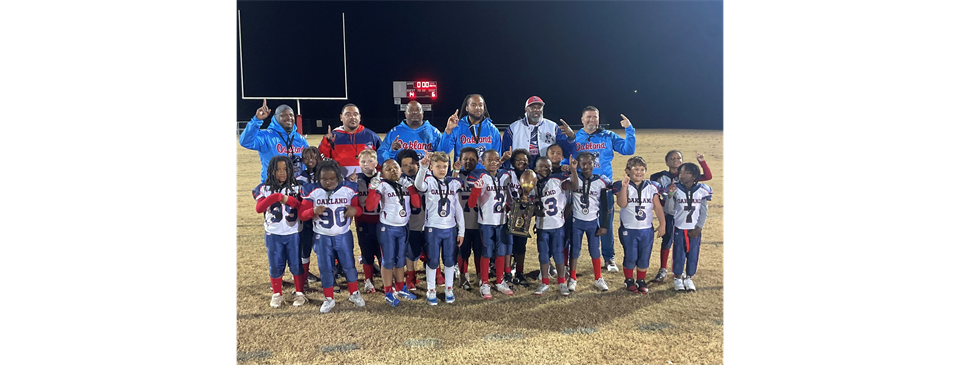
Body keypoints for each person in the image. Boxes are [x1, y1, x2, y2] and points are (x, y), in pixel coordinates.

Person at [571, 106, 636, 272]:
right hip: (581, 189)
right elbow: (567, 159)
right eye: (589, 117)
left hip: (603, 187)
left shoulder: (608, 136)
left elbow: (628, 149)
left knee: (605, 223)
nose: (592, 120)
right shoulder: (575, 138)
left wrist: (629, 128)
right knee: (575, 223)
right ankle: (570, 257)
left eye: (595, 117)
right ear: (582, 119)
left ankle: (609, 257)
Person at [298, 159, 366, 313]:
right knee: (325, 268)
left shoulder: (349, 188)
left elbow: (358, 208)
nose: (328, 182)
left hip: (343, 234)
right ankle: (329, 298)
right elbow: (302, 215)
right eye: (324, 179)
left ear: (338, 177)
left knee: (349, 265)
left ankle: (354, 293)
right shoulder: (312, 190)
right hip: (322, 236)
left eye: (332, 178)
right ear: (318, 178)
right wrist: (313, 212)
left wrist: (354, 211)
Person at [649, 150, 714, 283]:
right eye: (672, 158)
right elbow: (656, 195)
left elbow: (707, 176)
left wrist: (702, 162)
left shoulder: (688, 175)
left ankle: (684, 272)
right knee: (667, 240)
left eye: (678, 158)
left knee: (686, 244)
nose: (675, 160)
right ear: (666, 161)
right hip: (670, 213)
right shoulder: (659, 177)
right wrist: (664, 203)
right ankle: (663, 269)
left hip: (685, 215)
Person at [365, 159, 422, 306]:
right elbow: (371, 206)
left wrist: (410, 188)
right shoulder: (383, 185)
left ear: (400, 169)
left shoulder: (405, 183)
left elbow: (417, 204)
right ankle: (388, 291)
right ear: (383, 173)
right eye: (388, 169)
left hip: (403, 227)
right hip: (387, 228)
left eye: (395, 167)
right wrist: (373, 189)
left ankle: (400, 287)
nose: (393, 170)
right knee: (388, 260)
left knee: (401, 259)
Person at [252, 155, 306, 308]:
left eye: (285, 169)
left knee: (296, 264)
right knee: (275, 264)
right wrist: (276, 197)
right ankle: (277, 293)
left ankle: (299, 292)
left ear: (291, 170)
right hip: (273, 233)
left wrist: (288, 200)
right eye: (278, 170)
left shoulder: (298, 187)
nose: (282, 173)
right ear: (271, 171)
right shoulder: (264, 188)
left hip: (293, 232)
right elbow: (259, 208)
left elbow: (303, 208)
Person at [414, 152, 466, 305]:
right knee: (433, 260)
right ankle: (431, 290)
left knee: (450, 260)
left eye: (445, 166)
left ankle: (449, 288)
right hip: (433, 228)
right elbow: (418, 185)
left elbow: (458, 209)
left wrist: (461, 230)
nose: (442, 169)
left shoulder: (453, 183)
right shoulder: (428, 181)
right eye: (438, 166)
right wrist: (422, 168)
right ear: (432, 167)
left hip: (450, 229)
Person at [611, 156, 666, 294]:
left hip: (646, 229)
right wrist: (624, 187)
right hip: (629, 229)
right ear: (628, 170)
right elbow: (622, 204)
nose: (639, 172)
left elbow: (657, 207)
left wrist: (663, 224)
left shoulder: (652, 186)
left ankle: (641, 280)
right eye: (636, 169)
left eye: (642, 169)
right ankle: (629, 280)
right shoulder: (621, 184)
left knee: (644, 257)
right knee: (631, 256)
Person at [467, 150, 516, 299]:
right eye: (489, 160)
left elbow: (512, 197)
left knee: (501, 251)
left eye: (496, 159)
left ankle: (500, 281)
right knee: (487, 252)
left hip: (502, 221)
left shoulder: (506, 175)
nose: (493, 162)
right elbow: (470, 203)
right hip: (486, 222)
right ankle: (485, 282)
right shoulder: (479, 176)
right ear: (483, 162)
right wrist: (476, 189)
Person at [567, 152, 613, 292]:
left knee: (595, 250)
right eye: (583, 163)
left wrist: (604, 225)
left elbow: (605, 206)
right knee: (575, 250)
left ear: (594, 163)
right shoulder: (573, 178)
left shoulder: (601, 181)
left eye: (589, 163)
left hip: (593, 221)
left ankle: (598, 278)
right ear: (578, 164)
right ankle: (572, 278)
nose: (586, 166)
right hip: (577, 221)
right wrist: (573, 169)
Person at [240, 100, 310, 183]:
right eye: (284, 115)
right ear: (276, 118)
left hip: (295, 187)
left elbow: (307, 163)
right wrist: (256, 120)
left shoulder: (300, 140)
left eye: (291, 115)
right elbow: (245, 141)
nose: (289, 118)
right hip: (272, 186)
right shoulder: (266, 136)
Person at [670, 162, 713, 292]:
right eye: (680, 172)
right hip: (679, 227)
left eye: (685, 172)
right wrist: (670, 195)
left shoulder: (702, 190)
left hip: (694, 228)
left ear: (694, 176)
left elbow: (703, 211)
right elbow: (669, 209)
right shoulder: (675, 188)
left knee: (693, 254)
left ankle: (689, 277)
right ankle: (677, 277)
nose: (681, 175)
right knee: (678, 254)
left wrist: (699, 227)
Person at [531, 158, 571, 296]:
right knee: (543, 255)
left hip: (557, 225)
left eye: (547, 166)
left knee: (559, 255)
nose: (544, 169)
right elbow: (530, 208)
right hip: (542, 226)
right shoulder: (533, 184)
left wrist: (563, 217)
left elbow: (572, 189)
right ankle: (545, 282)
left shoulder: (558, 180)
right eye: (541, 167)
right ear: (535, 169)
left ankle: (561, 282)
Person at [500, 96, 576, 170]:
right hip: (520, 170)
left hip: (545, 170)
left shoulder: (553, 127)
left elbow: (567, 152)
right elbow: (506, 154)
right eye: (532, 107)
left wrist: (571, 137)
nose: (536, 110)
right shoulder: (513, 128)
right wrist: (509, 172)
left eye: (539, 107)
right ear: (526, 109)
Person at [319, 103, 382, 177]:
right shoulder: (332, 137)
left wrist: (377, 177)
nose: (352, 117)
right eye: (348, 115)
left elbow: (381, 160)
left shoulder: (372, 136)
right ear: (341, 117)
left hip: (366, 182)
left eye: (355, 114)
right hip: (342, 184)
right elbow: (322, 160)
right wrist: (325, 143)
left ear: (359, 117)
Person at [451, 147, 483, 291]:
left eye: (472, 159)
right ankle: (463, 277)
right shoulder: (454, 177)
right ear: (460, 160)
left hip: (478, 221)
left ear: (478, 161)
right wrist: (455, 172)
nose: (469, 162)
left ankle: (480, 276)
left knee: (479, 251)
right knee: (463, 252)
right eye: (466, 159)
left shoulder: (483, 175)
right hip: (461, 222)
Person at [397, 149, 428, 292]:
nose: (410, 167)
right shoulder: (400, 182)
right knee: (411, 253)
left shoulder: (426, 178)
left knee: (430, 250)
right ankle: (410, 277)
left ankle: (433, 273)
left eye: (412, 163)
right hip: (411, 223)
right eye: (405, 165)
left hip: (428, 222)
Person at [354, 149, 384, 293]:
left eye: (370, 161)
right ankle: (368, 280)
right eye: (363, 161)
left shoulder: (382, 178)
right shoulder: (355, 179)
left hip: (380, 221)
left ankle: (386, 279)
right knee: (366, 251)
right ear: (359, 164)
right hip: (363, 221)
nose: (367, 164)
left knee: (381, 251)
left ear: (376, 163)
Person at [438, 94, 501, 162]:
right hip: (463, 171)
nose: (478, 108)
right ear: (467, 108)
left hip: (485, 171)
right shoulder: (457, 127)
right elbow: (442, 152)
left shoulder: (492, 129)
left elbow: (497, 156)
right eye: (473, 105)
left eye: (480, 105)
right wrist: (448, 130)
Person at [377, 100, 443, 165]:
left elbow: (444, 155)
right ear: (405, 114)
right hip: (401, 174)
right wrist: (391, 151)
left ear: (422, 112)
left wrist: (434, 157)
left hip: (427, 173)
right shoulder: (394, 132)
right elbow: (380, 156)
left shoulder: (434, 132)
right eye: (410, 110)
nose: (414, 112)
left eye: (418, 109)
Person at [504, 148, 533, 285]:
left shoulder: (532, 176)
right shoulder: (507, 173)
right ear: (513, 162)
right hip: (508, 213)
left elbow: (535, 196)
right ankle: (507, 272)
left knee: (521, 245)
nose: (522, 162)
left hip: (522, 215)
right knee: (508, 245)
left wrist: (529, 202)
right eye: (518, 160)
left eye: (525, 160)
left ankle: (520, 272)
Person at [295, 147, 322, 285]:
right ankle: (304, 277)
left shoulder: (325, 173)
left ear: (318, 157)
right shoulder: (300, 178)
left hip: (323, 217)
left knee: (325, 248)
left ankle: (333, 272)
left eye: (313, 156)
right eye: (306, 157)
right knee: (305, 248)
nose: (310, 160)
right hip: (307, 218)